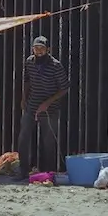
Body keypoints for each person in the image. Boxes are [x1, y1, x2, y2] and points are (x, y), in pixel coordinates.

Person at [21, 35, 68, 172]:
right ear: (32, 49)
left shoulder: (56, 65)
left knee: (48, 142)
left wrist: (47, 103)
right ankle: (23, 170)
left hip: (50, 109)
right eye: (36, 48)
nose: (39, 51)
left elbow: (64, 88)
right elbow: (27, 81)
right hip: (32, 105)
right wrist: (23, 99)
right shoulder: (29, 62)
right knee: (23, 137)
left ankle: (48, 172)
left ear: (48, 49)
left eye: (42, 48)